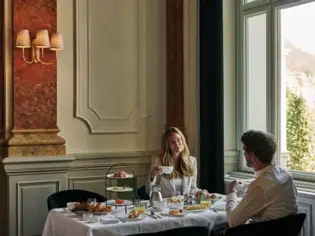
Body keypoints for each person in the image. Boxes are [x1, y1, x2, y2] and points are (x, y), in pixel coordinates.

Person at [211, 130, 298, 236]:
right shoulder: (286, 175)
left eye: (244, 150)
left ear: (252, 155)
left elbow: (233, 222)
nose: (243, 154)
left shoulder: (259, 186)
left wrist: (231, 192)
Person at [146, 127, 198, 198]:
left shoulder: (192, 161)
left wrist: (200, 192)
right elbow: (149, 190)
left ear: (183, 141)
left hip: (185, 206)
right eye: (172, 142)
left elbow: (192, 188)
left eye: (178, 140)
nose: (177, 144)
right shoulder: (158, 161)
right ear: (167, 145)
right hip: (166, 206)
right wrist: (152, 175)